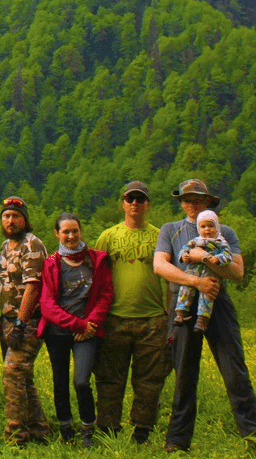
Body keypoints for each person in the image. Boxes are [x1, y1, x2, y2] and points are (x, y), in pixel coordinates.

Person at [154, 179, 256, 458]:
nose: (191, 204)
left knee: (235, 373)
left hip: (218, 304)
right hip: (183, 304)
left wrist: (204, 259)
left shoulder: (225, 231)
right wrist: (196, 283)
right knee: (185, 375)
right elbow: (160, 266)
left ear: (208, 202)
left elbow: (238, 273)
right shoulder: (171, 230)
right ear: (181, 203)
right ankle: (177, 442)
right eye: (186, 199)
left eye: (197, 199)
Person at [93, 181, 172, 444]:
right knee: (109, 379)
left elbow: (171, 279)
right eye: (130, 199)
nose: (135, 203)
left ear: (148, 204)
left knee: (149, 382)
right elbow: (96, 278)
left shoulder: (161, 236)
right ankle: (107, 429)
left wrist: (170, 317)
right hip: (114, 319)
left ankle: (142, 432)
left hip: (152, 320)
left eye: (140, 199)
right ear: (122, 203)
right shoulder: (108, 236)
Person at [38, 212, 113, 447]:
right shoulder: (51, 264)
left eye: (75, 231)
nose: (71, 236)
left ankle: (88, 428)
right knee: (59, 380)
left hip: (88, 332)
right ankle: (65, 428)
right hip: (59, 332)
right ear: (57, 234)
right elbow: (47, 305)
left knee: (81, 381)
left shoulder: (96, 260)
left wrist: (90, 325)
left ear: (80, 231)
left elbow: (105, 294)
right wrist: (78, 324)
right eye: (66, 232)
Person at [0, 195, 51, 445]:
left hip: (28, 320)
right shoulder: (4, 247)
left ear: (24, 220)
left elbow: (33, 286)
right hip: (7, 319)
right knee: (23, 376)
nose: (10, 220)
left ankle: (15, 435)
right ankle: (39, 430)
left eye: (15, 216)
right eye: (6, 216)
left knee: (13, 372)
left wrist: (20, 323)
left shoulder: (32, 244)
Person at [174, 210, 233, 332]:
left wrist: (218, 259)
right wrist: (184, 255)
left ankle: (202, 320)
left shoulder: (220, 242)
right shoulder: (195, 241)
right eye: (203, 226)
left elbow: (228, 255)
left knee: (206, 297)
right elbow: (184, 249)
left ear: (217, 227)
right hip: (193, 272)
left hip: (210, 274)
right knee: (185, 290)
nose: (207, 230)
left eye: (211, 226)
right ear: (198, 228)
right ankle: (180, 313)